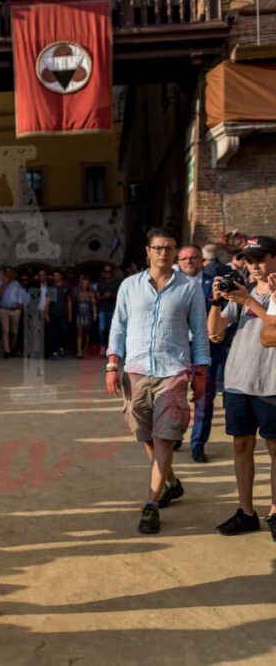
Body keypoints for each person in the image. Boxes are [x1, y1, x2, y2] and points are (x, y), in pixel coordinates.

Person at [106, 228, 209, 535]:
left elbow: (199, 332)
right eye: (159, 248)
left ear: (175, 252)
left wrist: (200, 372)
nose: (164, 253)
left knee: (164, 436)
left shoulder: (189, 288)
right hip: (136, 370)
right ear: (148, 251)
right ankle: (172, 482)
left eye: (169, 248)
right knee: (147, 435)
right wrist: (112, 364)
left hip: (173, 371)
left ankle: (151, 503)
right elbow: (118, 326)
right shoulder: (129, 286)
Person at [207, 236, 276, 540]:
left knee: (275, 450)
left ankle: (275, 512)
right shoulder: (242, 291)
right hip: (238, 379)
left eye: (260, 259)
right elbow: (215, 332)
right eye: (249, 261)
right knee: (241, 446)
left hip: (271, 382)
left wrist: (248, 301)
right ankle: (246, 512)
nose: (254, 266)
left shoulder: (258, 294)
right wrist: (216, 301)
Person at [177, 244, 232, 462]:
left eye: (193, 257)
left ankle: (198, 445)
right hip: (178, 350)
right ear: (179, 263)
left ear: (202, 260)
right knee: (175, 396)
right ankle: (175, 435)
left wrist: (222, 333)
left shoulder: (215, 283)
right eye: (184, 259)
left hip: (207, 350)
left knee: (204, 400)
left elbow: (229, 313)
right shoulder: (170, 285)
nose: (189, 261)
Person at [0, 267, 27, 358]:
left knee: (14, 332)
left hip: (15, 310)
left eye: (10, 272)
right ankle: (7, 351)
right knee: (5, 330)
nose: (8, 274)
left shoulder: (17, 284)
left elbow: (20, 295)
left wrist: (20, 305)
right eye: (7, 272)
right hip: (4, 309)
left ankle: (13, 347)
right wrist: (4, 284)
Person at [46, 270, 72, 359]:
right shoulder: (52, 288)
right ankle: (54, 350)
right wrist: (46, 313)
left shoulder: (66, 287)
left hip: (63, 313)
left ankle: (62, 348)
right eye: (54, 276)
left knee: (64, 331)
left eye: (57, 275)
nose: (55, 277)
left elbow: (69, 301)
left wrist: (70, 313)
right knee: (54, 332)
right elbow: (48, 300)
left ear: (61, 276)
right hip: (53, 313)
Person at [94, 264, 120, 356]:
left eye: (108, 271)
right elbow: (97, 297)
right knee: (102, 330)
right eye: (105, 272)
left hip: (113, 309)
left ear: (112, 272)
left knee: (111, 330)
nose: (106, 273)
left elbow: (121, 296)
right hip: (102, 309)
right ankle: (103, 346)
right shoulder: (100, 283)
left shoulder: (117, 283)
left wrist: (111, 295)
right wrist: (104, 297)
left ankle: (111, 347)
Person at [73, 275, 97, 358]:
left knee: (86, 332)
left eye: (86, 284)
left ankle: (85, 349)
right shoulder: (78, 293)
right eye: (83, 283)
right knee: (79, 332)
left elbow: (93, 305)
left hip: (87, 314)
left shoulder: (90, 294)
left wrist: (94, 314)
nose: (84, 285)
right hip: (79, 314)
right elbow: (72, 301)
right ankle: (79, 351)